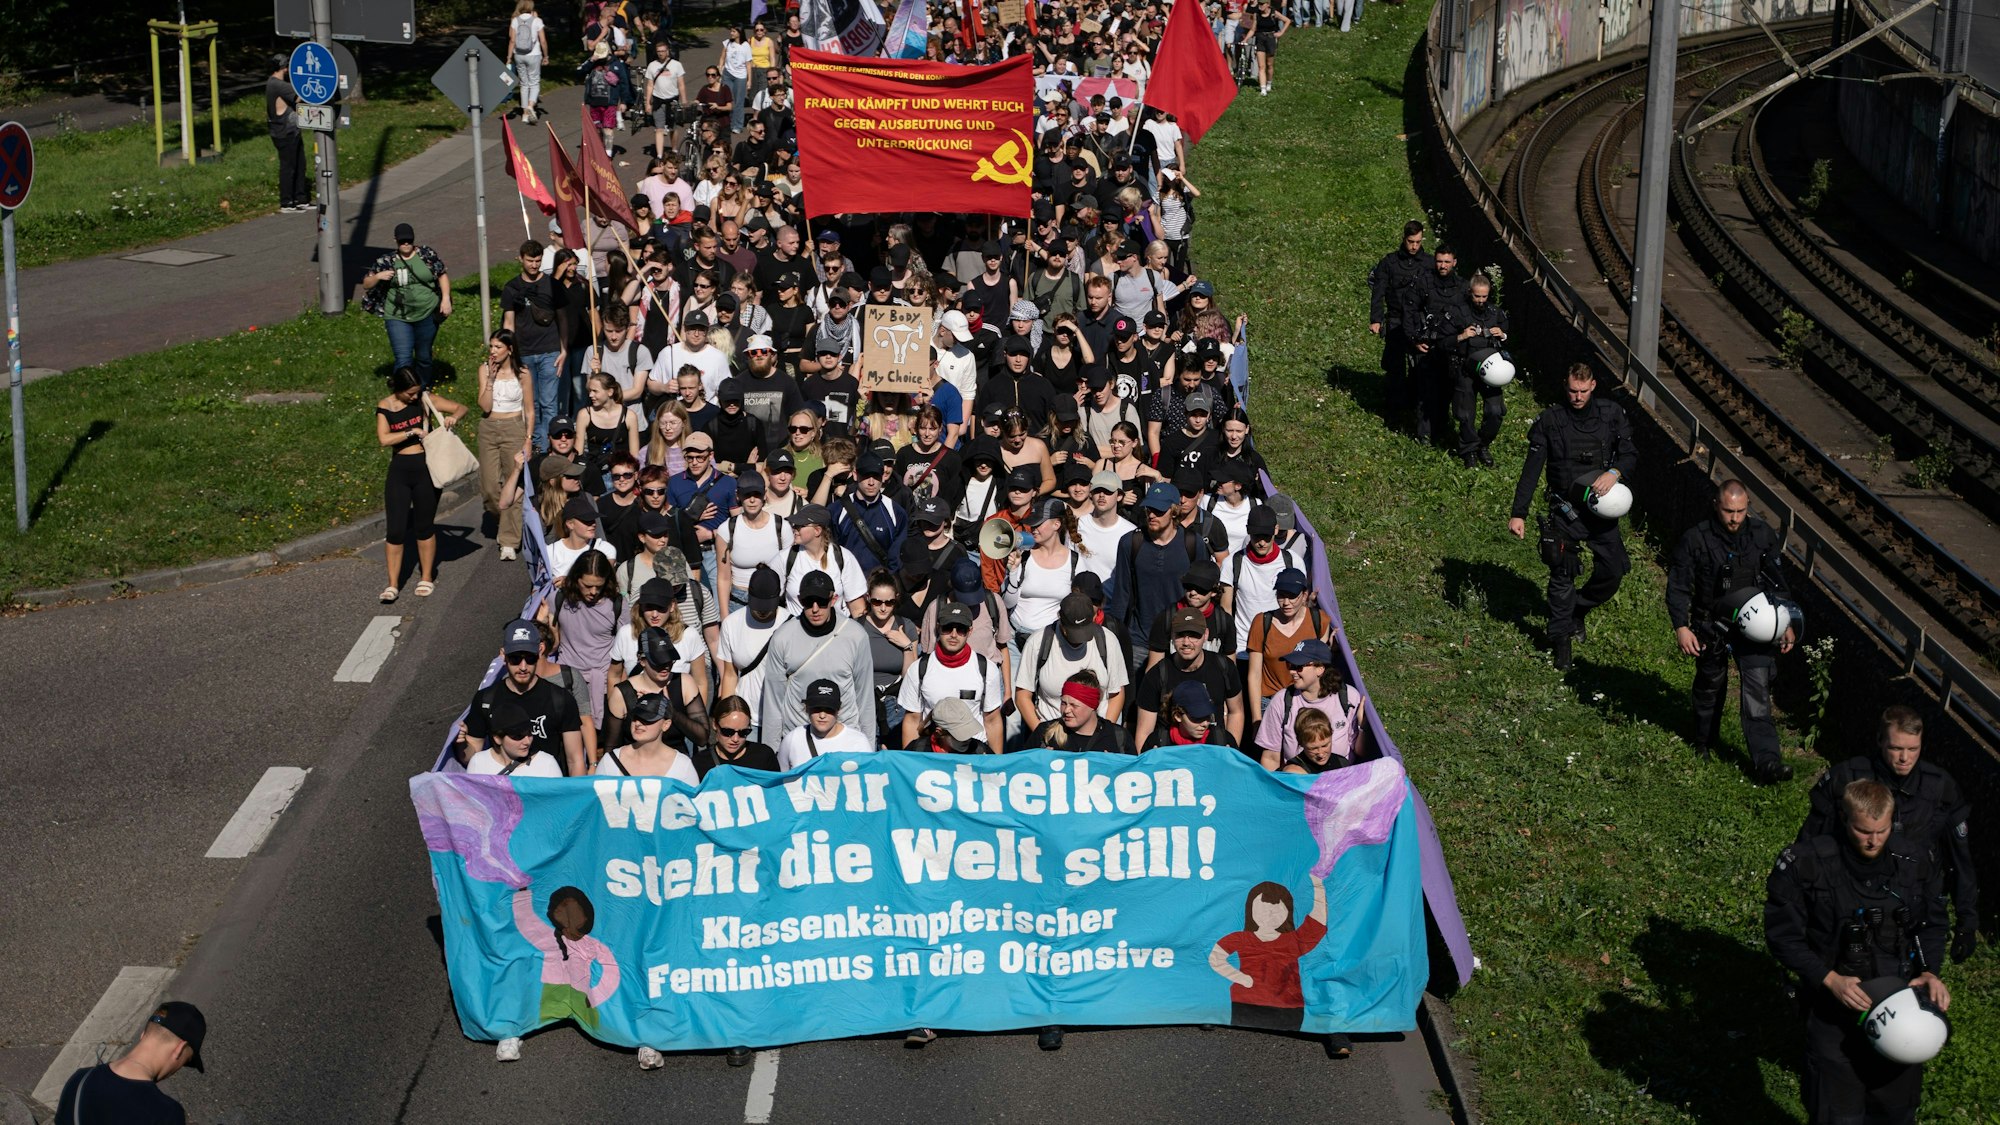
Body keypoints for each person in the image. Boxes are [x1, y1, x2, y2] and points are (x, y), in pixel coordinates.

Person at [1764, 779, 1952, 1125]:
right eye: (1863, 830)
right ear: (1844, 818)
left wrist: (1929, 971)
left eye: (1881, 831)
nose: (1873, 840)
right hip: (1833, 1015)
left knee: (1895, 1114)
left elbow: (1931, 925)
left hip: (1899, 1010)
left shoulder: (1914, 861)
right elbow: (1783, 936)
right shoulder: (1807, 863)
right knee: (1837, 1115)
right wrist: (1828, 978)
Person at [1799, 706, 1979, 962]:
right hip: (1852, 903)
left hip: (1917, 911)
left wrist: (1967, 922)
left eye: (1913, 749)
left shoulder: (1940, 789)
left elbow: (1961, 861)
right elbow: (1809, 846)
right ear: (1880, 741)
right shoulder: (1846, 780)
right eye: (1896, 748)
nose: (1904, 757)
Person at [1665, 479, 1799, 782]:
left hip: (1756, 627)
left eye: (1740, 511)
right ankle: (1703, 742)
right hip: (1711, 625)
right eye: (1728, 511)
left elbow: (1776, 582)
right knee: (1710, 687)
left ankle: (1767, 763)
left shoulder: (1762, 536)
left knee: (1757, 692)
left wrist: (1785, 621)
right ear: (1716, 505)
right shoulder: (1695, 539)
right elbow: (1678, 585)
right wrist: (1681, 627)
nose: (1735, 518)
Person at [1507, 362, 1635, 670]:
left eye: (1582, 391)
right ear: (1565, 387)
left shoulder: (1611, 416)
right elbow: (1532, 469)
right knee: (1562, 575)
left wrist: (1614, 473)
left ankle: (1579, 609)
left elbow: (1630, 453)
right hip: (1565, 511)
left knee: (1613, 571)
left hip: (1601, 512)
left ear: (1592, 386)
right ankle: (1561, 641)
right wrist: (1518, 513)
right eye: (1571, 391)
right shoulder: (1551, 422)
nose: (1577, 397)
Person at [375, 367, 466, 602]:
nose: (415, 397)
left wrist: (454, 417)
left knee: (424, 527)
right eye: (410, 393)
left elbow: (460, 407)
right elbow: (384, 439)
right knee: (395, 530)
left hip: (426, 469)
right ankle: (393, 584)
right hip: (399, 471)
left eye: (417, 392)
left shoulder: (425, 399)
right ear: (398, 388)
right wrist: (410, 432)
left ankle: (426, 577)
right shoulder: (385, 406)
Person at [760, 571, 878, 745]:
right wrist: (771, 754)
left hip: (844, 739)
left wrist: (868, 749)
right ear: (800, 600)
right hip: (798, 739)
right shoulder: (782, 637)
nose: (815, 609)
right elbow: (773, 703)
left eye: (822, 602)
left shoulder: (856, 636)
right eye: (808, 602)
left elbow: (865, 697)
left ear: (833, 599)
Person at [53, 999, 205, 1125]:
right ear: (179, 1048)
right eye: (186, 1061)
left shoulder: (80, 1080)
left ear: (144, 1034)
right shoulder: (165, 1113)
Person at [1208, 875, 1328, 1031]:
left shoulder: (1294, 941)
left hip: (1288, 1006)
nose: (1269, 915)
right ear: (1251, 909)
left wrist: (1318, 886)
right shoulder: (1242, 938)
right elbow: (1216, 957)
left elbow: (1317, 922)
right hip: (1246, 1003)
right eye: (1262, 910)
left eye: (1275, 911)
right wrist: (1240, 978)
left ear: (1287, 912)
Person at [899, 600, 1007, 750]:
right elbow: (912, 720)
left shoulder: (987, 669)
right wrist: (909, 762)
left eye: (961, 629)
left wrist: (995, 766)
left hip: (972, 750)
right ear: (938, 628)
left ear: (970, 631)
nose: (954, 635)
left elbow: (992, 720)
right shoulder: (919, 668)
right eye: (948, 628)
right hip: (934, 752)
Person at [1016, 591, 1128, 735]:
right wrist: (1043, 734)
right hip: (1053, 737)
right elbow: (1022, 696)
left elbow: (1116, 693)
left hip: (1096, 737)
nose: (1079, 639)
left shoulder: (1108, 641)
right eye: (1073, 632)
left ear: (1094, 617)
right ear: (1060, 620)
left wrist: (1103, 734)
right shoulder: (1037, 643)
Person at [1133, 608, 1245, 748]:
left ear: (1206, 635)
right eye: (1180, 635)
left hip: (1213, 752)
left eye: (1193, 635)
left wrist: (1229, 752)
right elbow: (1144, 731)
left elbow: (1236, 712)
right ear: (1172, 636)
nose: (1186, 642)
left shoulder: (1224, 667)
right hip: (1170, 754)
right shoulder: (1157, 674)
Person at [361, 223, 453, 387]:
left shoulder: (426, 254)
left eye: (409, 241)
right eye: (402, 241)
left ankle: (423, 389)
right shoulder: (386, 261)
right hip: (397, 317)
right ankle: (404, 393)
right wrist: (378, 276)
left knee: (424, 356)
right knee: (403, 358)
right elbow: (367, 284)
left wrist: (445, 299)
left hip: (427, 313)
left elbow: (442, 274)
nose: (406, 244)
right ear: (395, 240)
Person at [503, 240, 571, 451]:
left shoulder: (553, 285)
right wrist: (510, 355)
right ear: (521, 259)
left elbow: (563, 319)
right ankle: (533, 445)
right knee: (530, 404)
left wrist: (564, 349)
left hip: (550, 351)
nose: (534, 265)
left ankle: (548, 448)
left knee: (549, 403)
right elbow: (509, 323)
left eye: (538, 261)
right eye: (530, 261)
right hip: (523, 353)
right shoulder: (512, 287)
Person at [1254, 640, 1365, 769]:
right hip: (1298, 783)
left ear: (1320, 669)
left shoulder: (1348, 697)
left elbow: (1360, 751)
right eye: (1290, 665)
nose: (1292, 671)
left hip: (1338, 781)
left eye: (1299, 666)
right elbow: (1271, 757)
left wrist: (1363, 727)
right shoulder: (1282, 701)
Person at [474, 331, 534, 561]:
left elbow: (529, 409)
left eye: (498, 347)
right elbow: (485, 406)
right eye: (491, 346)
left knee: (512, 481)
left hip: (514, 427)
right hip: (489, 427)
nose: (493, 351)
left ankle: (509, 540)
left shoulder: (523, 373)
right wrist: (489, 381)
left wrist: (528, 439)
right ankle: (509, 519)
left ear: (510, 349)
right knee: (489, 488)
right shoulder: (484, 369)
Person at [1368, 221, 1432, 433]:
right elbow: (1378, 292)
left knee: (1419, 368)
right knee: (1395, 367)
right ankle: (1393, 411)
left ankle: (1414, 407)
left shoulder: (1429, 263)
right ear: (1404, 239)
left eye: (1418, 242)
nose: (1414, 246)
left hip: (1418, 321)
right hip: (1396, 320)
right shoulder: (1389, 263)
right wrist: (1376, 319)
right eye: (1411, 242)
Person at [717, 566, 792, 740]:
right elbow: (729, 675)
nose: (763, 611)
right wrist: (725, 720)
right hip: (746, 722)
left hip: (783, 718)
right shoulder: (732, 624)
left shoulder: (791, 623)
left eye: (768, 606)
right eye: (759, 605)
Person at [1443, 271, 1510, 467]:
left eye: (1484, 296)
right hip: (1465, 368)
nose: (1480, 301)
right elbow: (1442, 342)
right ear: (1470, 293)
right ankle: (1469, 450)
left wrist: (1502, 335)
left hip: (1490, 370)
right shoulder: (1457, 313)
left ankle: (1483, 444)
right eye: (1476, 296)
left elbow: (1508, 334)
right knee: (1465, 414)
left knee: (1495, 411)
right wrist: (1461, 337)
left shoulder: (1495, 313)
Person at [778, 679, 877, 767]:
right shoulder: (792, 739)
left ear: (838, 710)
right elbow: (781, 781)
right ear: (807, 708)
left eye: (829, 709)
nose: (822, 715)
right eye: (816, 708)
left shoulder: (858, 741)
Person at [466, 693, 567, 777]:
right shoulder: (478, 763)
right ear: (497, 738)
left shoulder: (547, 764)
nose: (527, 742)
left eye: (530, 733)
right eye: (518, 737)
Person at [1036, 671, 1137, 754]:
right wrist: (1039, 763)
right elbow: (1022, 771)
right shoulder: (1045, 733)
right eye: (1063, 703)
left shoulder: (1117, 737)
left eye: (1073, 705)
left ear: (1093, 705)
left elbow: (1134, 775)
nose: (1066, 710)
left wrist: (1114, 768)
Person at [694, 695, 783, 775]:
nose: (735, 739)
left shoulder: (764, 756)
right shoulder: (700, 763)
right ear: (715, 725)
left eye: (743, 732)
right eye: (728, 732)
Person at [266, 55, 310, 213]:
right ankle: (287, 202)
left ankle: (300, 199)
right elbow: (301, 97)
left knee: (300, 164)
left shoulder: (272, 83)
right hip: (286, 132)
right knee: (289, 167)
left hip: (289, 130)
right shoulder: (280, 86)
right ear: (285, 67)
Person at [1144, 679, 1238, 750]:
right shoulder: (1158, 742)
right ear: (1178, 716)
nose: (1205, 724)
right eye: (1197, 717)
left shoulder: (1222, 741)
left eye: (1208, 716)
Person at [509, 0, 549, 124]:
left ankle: (524, 114)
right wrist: (546, 56)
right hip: (534, 54)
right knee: (534, 82)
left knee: (524, 84)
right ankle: (531, 106)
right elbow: (542, 40)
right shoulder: (537, 21)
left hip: (519, 55)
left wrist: (509, 57)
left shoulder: (515, 20)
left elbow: (512, 40)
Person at [1280, 710, 1344, 774]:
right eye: (1313, 748)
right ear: (1300, 742)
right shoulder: (1294, 772)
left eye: (1324, 746)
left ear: (1331, 734)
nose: (1320, 754)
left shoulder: (1342, 763)